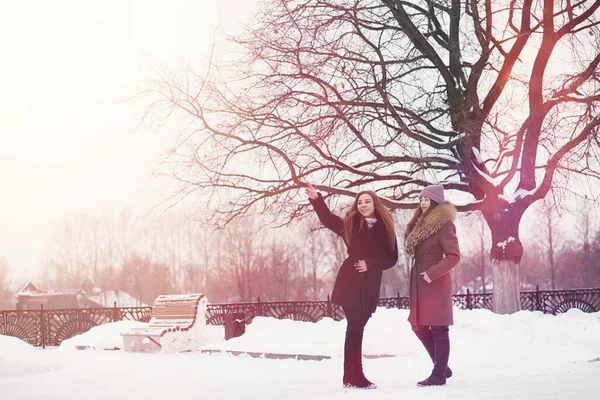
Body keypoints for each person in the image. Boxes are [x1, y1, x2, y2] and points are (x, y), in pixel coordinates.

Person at [304, 182, 398, 389]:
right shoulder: (351, 223)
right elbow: (328, 219)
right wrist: (316, 199)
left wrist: (371, 264)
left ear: (375, 204)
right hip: (350, 280)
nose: (363, 205)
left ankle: (349, 376)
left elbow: (392, 258)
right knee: (355, 327)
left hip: (370, 284)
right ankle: (357, 376)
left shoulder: (387, 227)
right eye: (360, 202)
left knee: (356, 328)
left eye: (367, 201)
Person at [404, 183, 461, 386]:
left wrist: (431, 273)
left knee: (438, 328)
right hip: (418, 282)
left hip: (435, 282)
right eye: (421, 199)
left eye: (426, 199)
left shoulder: (444, 224)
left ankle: (438, 374)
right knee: (418, 326)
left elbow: (454, 256)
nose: (422, 202)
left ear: (436, 201)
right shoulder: (420, 224)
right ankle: (443, 367)